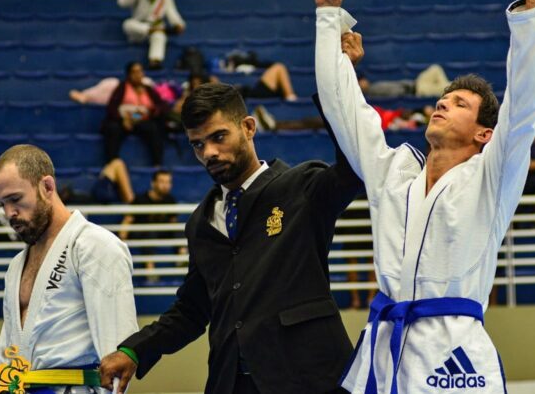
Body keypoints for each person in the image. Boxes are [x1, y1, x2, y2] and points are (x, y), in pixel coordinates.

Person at [314, 0, 535, 392]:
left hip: (453, 352)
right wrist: (329, 14)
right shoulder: (394, 173)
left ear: (484, 134)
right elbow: (343, 108)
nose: (443, 102)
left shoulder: (491, 179)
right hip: (383, 347)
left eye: (461, 104)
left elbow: (525, 105)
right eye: (444, 98)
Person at [98, 82, 363, 394]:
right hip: (231, 383)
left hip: (309, 378)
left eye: (218, 137)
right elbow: (192, 310)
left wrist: (338, 79)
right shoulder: (200, 222)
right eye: (197, 145)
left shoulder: (301, 187)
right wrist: (135, 350)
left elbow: (353, 168)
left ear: (248, 127)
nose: (209, 152)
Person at [0, 144, 138, 394]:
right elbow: (7, 351)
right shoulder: (16, 266)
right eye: (0, 204)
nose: (9, 213)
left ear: (47, 187)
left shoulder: (94, 246)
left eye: (15, 199)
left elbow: (118, 354)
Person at [101, 62, 169, 166]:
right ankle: (112, 164)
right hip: (124, 120)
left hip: (142, 119)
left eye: (140, 71)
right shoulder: (122, 87)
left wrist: (149, 112)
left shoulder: (148, 89)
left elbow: (162, 106)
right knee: (113, 129)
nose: (138, 75)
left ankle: (157, 165)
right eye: (134, 72)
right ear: (128, 75)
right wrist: (123, 119)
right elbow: (112, 107)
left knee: (154, 129)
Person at [119, 169, 179, 280]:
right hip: (142, 234)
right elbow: (127, 220)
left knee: (182, 230)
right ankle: (150, 269)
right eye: (162, 182)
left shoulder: (170, 200)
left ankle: (182, 261)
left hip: (160, 233)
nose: (166, 185)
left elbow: (173, 223)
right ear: (153, 183)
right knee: (150, 231)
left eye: (168, 182)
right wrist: (121, 241)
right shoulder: (140, 199)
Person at [118, 0, 186, 69]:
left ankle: (155, 61)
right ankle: (151, 29)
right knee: (127, 24)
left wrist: (178, 24)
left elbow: (173, 14)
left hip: (156, 27)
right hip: (138, 28)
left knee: (159, 35)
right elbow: (121, 2)